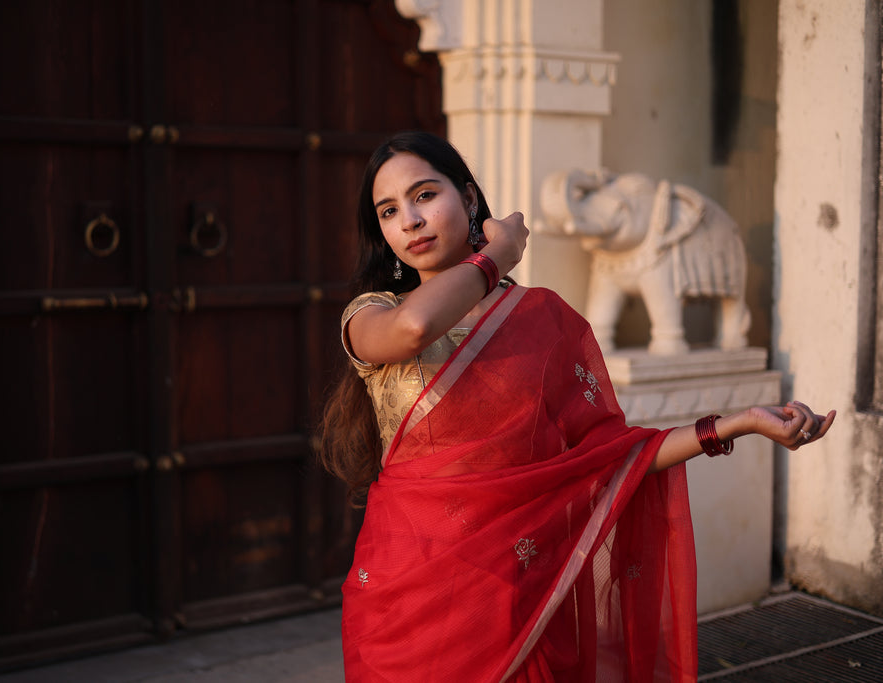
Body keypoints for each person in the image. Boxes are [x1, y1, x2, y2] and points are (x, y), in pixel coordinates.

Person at [318, 131, 835, 682]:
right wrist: (499, 253)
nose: (410, 220)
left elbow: (609, 458)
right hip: (403, 591)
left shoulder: (542, 320)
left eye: (425, 195)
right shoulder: (369, 314)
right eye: (389, 210)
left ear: (469, 200)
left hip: (515, 591)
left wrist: (740, 422)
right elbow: (415, 328)